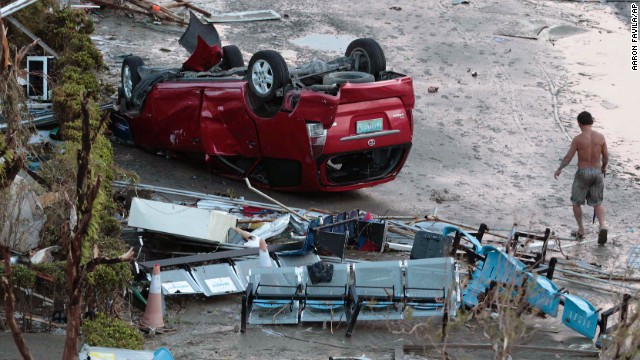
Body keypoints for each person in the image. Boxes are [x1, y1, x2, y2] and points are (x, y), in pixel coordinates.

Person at [554, 111, 609, 244]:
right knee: (598, 203)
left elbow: (568, 157)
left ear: (579, 123)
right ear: (592, 121)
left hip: (583, 172)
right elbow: (606, 157)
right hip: (596, 172)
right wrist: (604, 167)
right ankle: (602, 226)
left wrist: (560, 168)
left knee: (576, 202)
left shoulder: (578, 139)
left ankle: (581, 230)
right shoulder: (600, 137)